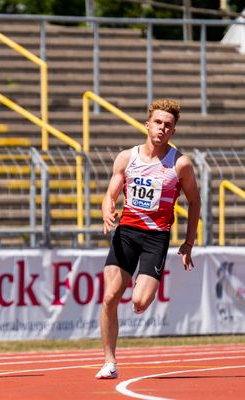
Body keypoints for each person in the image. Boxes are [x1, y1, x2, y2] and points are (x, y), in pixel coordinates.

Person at [96, 99, 201, 379]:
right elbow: (110, 195)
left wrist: (189, 243)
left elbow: (194, 202)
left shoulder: (180, 164)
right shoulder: (126, 158)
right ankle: (109, 361)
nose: (162, 129)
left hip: (156, 237)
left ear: (173, 131)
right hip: (127, 232)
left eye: (168, 125)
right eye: (158, 123)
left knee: (140, 303)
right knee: (109, 298)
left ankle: (141, 286)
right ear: (147, 125)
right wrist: (108, 212)